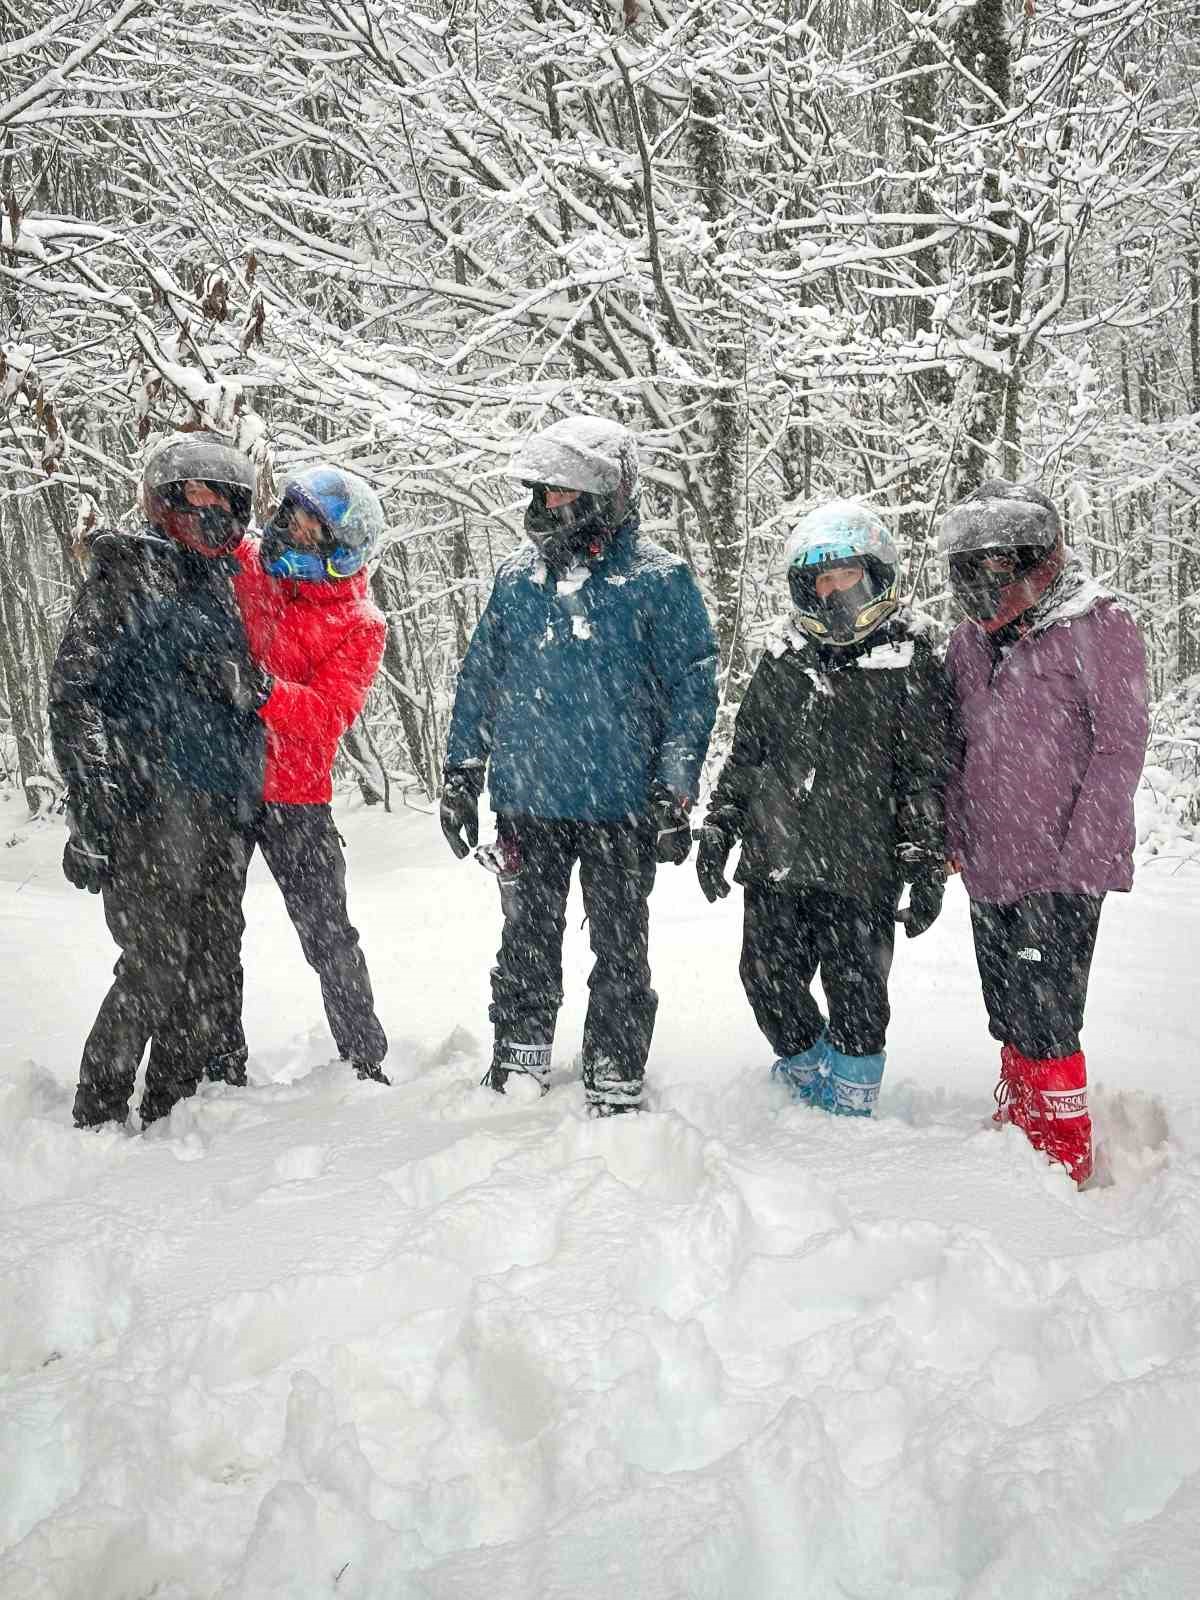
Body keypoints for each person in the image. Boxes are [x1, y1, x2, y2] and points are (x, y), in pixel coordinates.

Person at [440, 415, 718, 1114]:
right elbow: (480, 679)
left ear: (605, 495)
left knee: (621, 942)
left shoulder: (658, 581)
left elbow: (693, 688)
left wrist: (674, 789)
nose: (548, 508)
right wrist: (461, 772)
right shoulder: (517, 580)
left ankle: (615, 1059)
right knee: (528, 936)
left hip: (623, 802)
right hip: (529, 798)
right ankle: (522, 1049)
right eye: (543, 494)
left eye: (564, 495)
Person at [696, 500, 954, 1117]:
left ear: (875, 576)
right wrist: (721, 825)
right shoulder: (783, 657)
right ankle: (807, 1080)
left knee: (858, 996)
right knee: (765, 981)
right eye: (821, 580)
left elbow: (925, 771)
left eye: (845, 576)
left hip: (861, 865)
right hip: (777, 856)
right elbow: (748, 752)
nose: (833, 590)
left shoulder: (910, 661)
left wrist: (926, 858)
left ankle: (850, 1116)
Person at [49, 432, 264, 1128]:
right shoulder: (126, 576)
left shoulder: (224, 586)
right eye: (192, 499)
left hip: (219, 807)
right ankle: (100, 1108)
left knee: (208, 967)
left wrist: (244, 691)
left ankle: (172, 1104)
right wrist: (94, 807)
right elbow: (74, 694)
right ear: (162, 504)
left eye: (221, 501)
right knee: (156, 966)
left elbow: (237, 692)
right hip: (147, 806)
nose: (208, 513)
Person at [939, 479, 1149, 1186]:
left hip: (1063, 859)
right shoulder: (968, 643)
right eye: (977, 565)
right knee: (1005, 1002)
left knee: (1051, 1008)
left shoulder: (1099, 626)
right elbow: (953, 747)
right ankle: (1023, 1110)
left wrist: (1085, 851)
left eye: (1004, 562)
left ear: (1037, 558)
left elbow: (1121, 744)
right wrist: (950, 832)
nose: (991, 578)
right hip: (989, 857)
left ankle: (1065, 1138)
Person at [195, 465, 391, 1086]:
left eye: (311, 524)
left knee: (328, 933)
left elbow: (329, 715)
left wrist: (263, 692)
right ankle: (220, 1063)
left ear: (339, 545)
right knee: (214, 931)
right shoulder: (251, 564)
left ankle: (365, 1058)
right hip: (224, 781)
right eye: (292, 514)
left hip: (296, 797)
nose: (293, 528)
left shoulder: (361, 624)